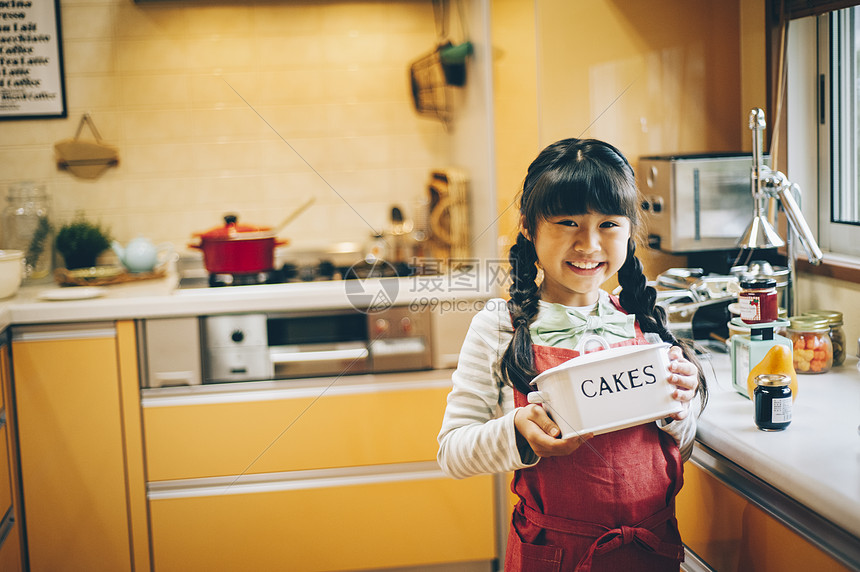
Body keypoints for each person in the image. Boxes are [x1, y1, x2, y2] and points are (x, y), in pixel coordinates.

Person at [437, 138, 707, 571]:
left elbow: (682, 448)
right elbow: (452, 452)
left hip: (651, 550)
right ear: (528, 225)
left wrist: (679, 412)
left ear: (630, 228)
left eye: (609, 225)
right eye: (567, 223)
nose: (589, 245)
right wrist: (518, 434)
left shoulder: (644, 323)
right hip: (554, 555)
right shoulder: (499, 327)